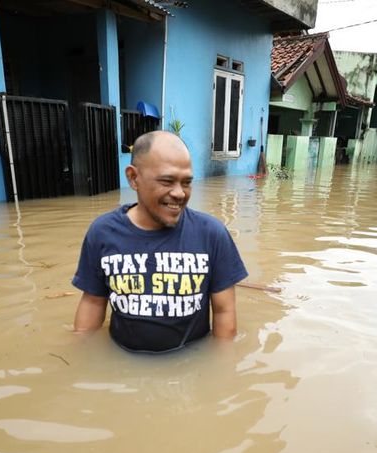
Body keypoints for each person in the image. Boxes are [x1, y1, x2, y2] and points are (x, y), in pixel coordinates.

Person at [72, 130, 248, 353]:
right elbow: (93, 303)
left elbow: (224, 315)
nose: (179, 193)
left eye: (186, 182)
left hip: (189, 364)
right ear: (133, 178)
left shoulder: (212, 235)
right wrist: (79, 359)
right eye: (167, 181)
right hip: (124, 368)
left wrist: (219, 374)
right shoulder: (103, 232)